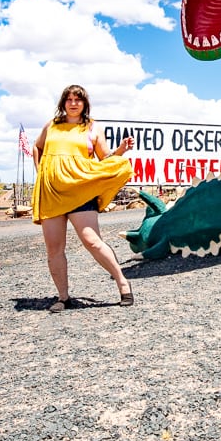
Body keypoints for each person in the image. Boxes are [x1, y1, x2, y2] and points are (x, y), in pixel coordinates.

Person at [32, 85, 136, 312]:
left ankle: (122, 283)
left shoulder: (92, 127)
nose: (73, 103)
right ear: (63, 103)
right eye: (68, 99)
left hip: (80, 191)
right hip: (51, 193)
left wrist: (120, 150)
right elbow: (37, 147)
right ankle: (63, 297)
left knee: (91, 241)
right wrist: (41, 173)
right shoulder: (52, 125)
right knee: (54, 248)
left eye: (78, 99)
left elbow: (105, 158)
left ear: (84, 104)